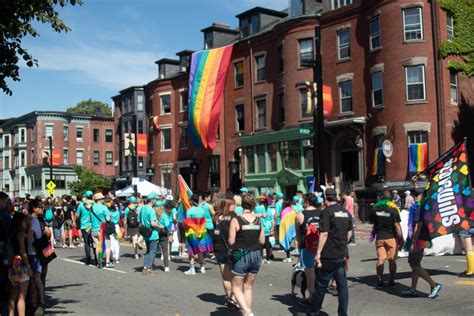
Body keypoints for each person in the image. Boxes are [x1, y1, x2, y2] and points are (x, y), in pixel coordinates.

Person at [310, 188, 352, 316]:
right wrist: (342, 243)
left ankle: (314, 312)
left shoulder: (326, 212)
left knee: (321, 286)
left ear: (325, 197)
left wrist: (318, 253)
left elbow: (324, 233)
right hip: (341, 253)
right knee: (342, 287)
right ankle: (343, 313)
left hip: (328, 254)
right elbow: (349, 232)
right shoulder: (345, 212)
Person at [228, 193, 265, 316]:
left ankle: (247, 312)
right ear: (253, 205)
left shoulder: (236, 220)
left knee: (236, 287)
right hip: (256, 255)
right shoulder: (258, 220)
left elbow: (231, 241)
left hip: (241, 254)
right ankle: (247, 312)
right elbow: (262, 241)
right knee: (248, 287)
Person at [401, 193, 443, 298]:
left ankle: (434, 285)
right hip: (423, 238)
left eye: (417, 195)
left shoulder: (418, 207)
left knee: (414, 264)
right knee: (416, 264)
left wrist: (414, 242)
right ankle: (413, 289)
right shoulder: (426, 206)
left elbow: (417, 226)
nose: (416, 197)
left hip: (418, 239)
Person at [370, 190, 402, 288]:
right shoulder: (393, 209)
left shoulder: (375, 209)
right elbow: (397, 225)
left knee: (380, 259)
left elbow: (371, 222)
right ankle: (391, 280)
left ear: (381, 198)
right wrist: (401, 238)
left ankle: (380, 281)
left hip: (380, 237)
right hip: (391, 237)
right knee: (392, 260)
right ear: (390, 198)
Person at [295, 193, 323, 307]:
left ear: (306, 202)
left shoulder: (299, 215)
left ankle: (312, 299)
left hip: (306, 247)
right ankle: (319, 298)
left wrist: (297, 249)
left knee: (310, 275)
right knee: (320, 274)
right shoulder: (321, 213)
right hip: (320, 248)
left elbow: (297, 235)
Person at [213, 197, 238, 309]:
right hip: (232, 248)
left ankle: (230, 299)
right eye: (233, 204)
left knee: (225, 276)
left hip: (219, 247)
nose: (235, 206)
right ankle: (234, 298)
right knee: (234, 276)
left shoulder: (218, 217)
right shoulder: (234, 217)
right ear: (228, 205)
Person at [7, 212, 32, 316]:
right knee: (22, 296)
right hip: (21, 263)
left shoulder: (12, 233)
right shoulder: (21, 234)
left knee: (13, 294)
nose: (26, 223)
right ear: (20, 222)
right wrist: (28, 266)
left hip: (13, 263)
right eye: (25, 221)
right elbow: (23, 251)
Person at [27, 198, 47, 314]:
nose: (42, 208)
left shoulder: (35, 220)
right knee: (37, 277)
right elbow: (30, 237)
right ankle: (38, 301)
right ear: (34, 209)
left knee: (35, 277)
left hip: (34, 252)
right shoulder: (34, 220)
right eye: (40, 206)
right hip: (34, 252)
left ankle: (37, 302)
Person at [184, 193, 213, 275]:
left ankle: (192, 268)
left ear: (192, 201)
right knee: (200, 250)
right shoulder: (201, 210)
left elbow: (187, 223)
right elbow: (203, 221)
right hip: (201, 231)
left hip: (191, 232)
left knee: (191, 250)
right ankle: (202, 267)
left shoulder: (189, 211)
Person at [139, 193, 161, 275]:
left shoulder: (142, 208)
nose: (156, 200)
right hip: (152, 233)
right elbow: (153, 223)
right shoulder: (151, 210)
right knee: (152, 251)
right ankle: (148, 269)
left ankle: (145, 267)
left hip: (145, 232)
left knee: (148, 251)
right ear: (152, 200)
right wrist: (160, 227)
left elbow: (139, 220)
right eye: (155, 199)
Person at [90, 193, 111, 269]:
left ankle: (99, 262)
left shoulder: (91, 207)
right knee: (107, 245)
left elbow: (90, 218)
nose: (104, 199)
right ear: (100, 199)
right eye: (103, 198)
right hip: (102, 229)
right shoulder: (104, 208)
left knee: (96, 246)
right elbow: (108, 219)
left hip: (94, 229)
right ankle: (107, 262)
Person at [75, 191, 93, 265]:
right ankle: (97, 257)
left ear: (86, 197)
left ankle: (88, 258)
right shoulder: (94, 204)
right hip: (93, 226)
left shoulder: (81, 205)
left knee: (87, 243)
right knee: (95, 243)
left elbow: (77, 215)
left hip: (85, 226)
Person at [154, 205, 170, 272]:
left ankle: (151, 264)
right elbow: (167, 225)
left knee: (153, 250)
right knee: (165, 250)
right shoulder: (164, 216)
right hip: (163, 233)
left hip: (156, 233)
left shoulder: (155, 216)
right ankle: (166, 266)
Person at [107, 199, 121, 264]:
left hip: (111, 227)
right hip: (117, 226)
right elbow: (118, 220)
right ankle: (117, 257)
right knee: (117, 242)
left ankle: (112, 257)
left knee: (112, 242)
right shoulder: (117, 212)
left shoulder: (109, 212)